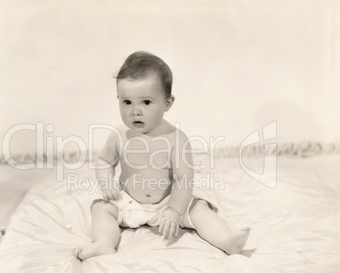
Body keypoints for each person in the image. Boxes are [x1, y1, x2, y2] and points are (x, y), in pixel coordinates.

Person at [73, 51, 250, 260]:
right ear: (118, 99)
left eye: (146, 102)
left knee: (199, 209)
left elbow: (183, 179)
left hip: (168, 202)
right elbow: (103, 160)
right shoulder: (119, 135)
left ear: (167, 103)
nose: (135, 111)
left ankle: (226, 240)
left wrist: (175, 210)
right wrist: (106, 183)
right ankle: (103, 243)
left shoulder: (176, 139)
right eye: (127, 102)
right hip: (129, 202)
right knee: (101, 209)